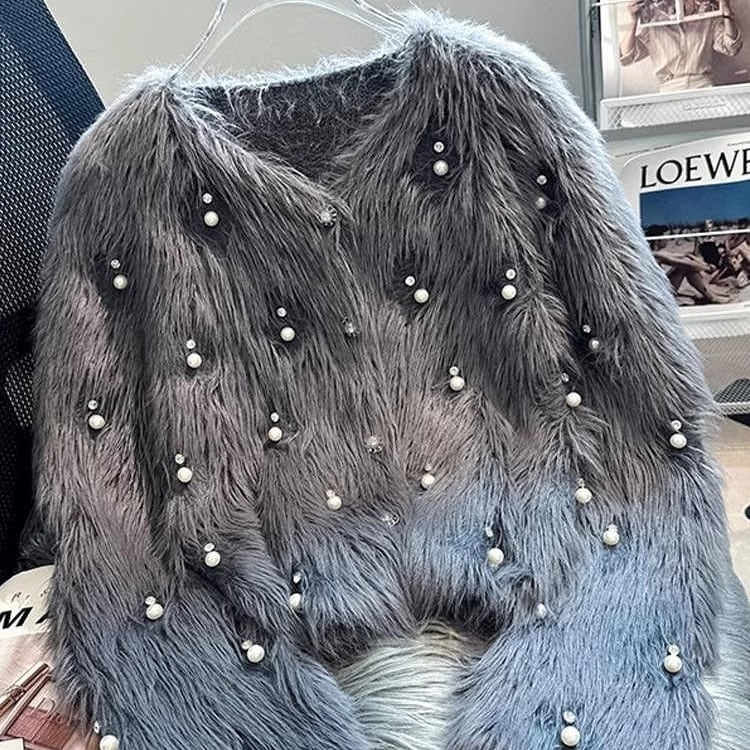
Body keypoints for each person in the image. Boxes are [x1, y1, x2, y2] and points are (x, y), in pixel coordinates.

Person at [619, 0, 742, 91]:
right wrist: (633, 22)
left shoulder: (708, 19)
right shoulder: (654, 28)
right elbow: (627, 57)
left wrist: (726, 11)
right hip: (669, 89)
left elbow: (732, 48)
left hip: (703, 85)